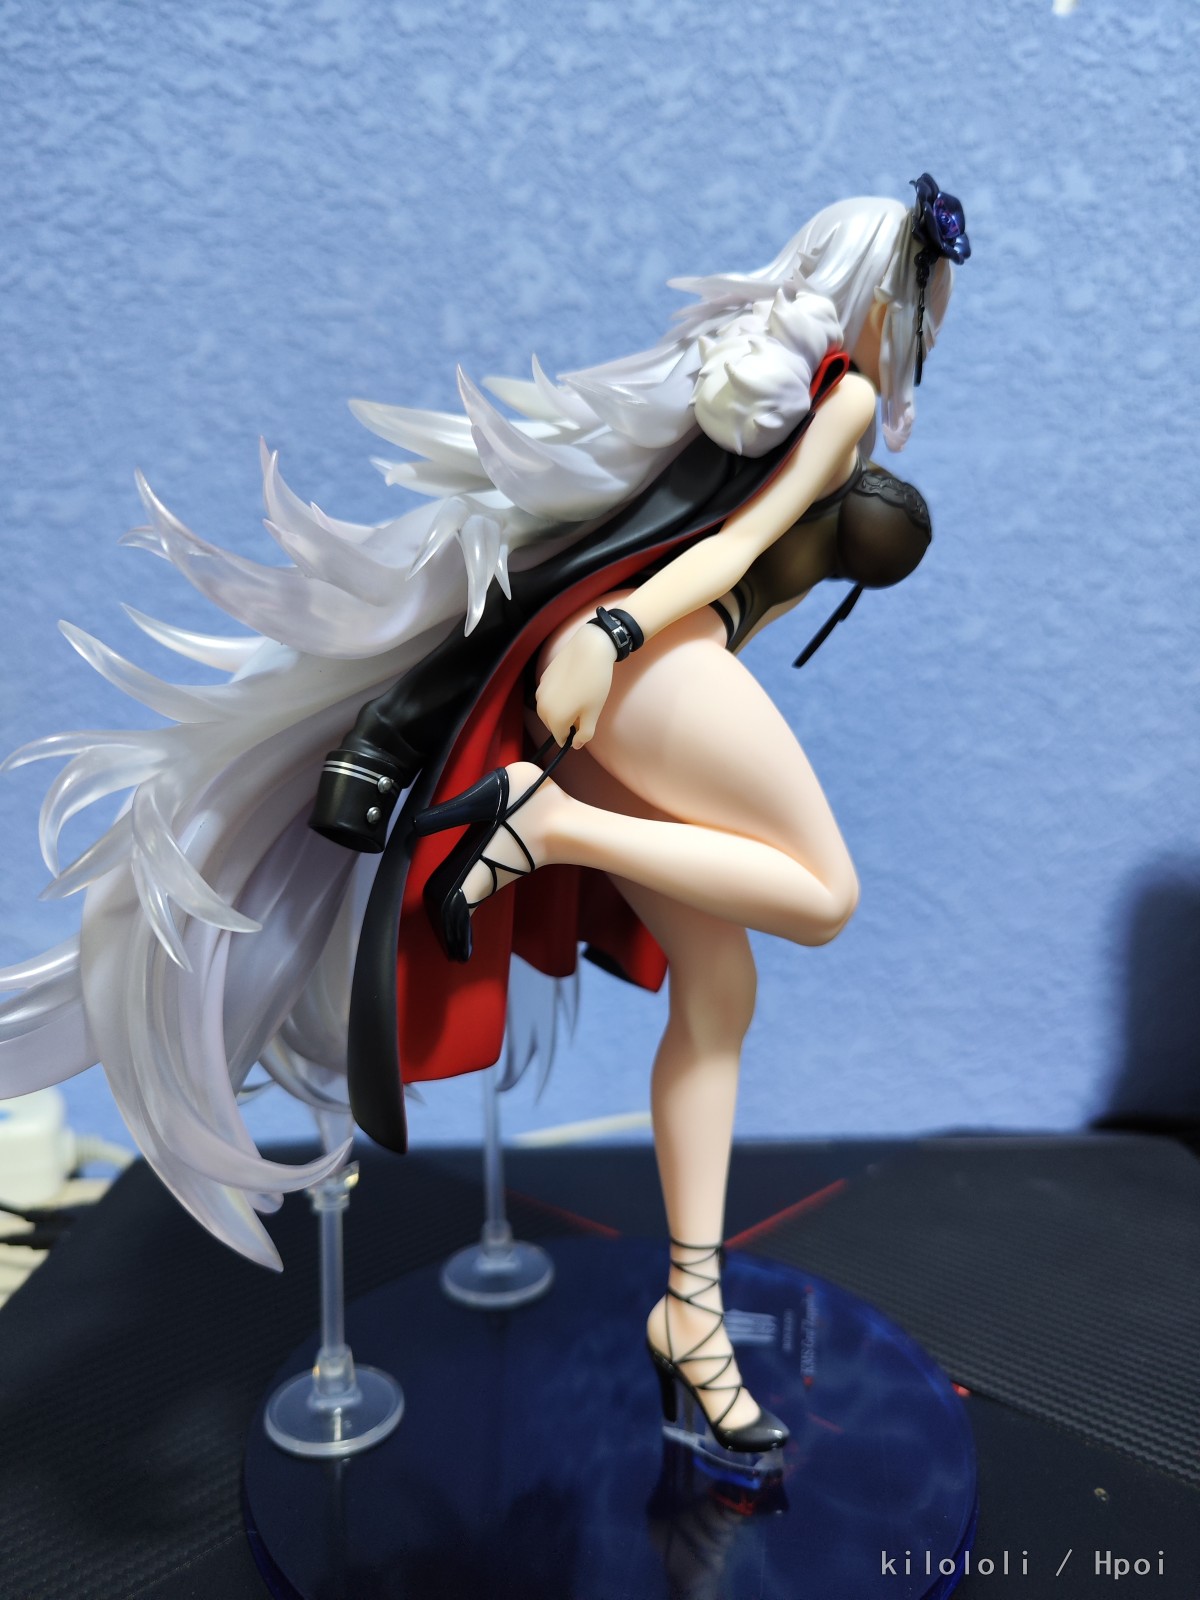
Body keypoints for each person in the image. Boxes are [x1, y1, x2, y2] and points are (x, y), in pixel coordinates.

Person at [0, 176, 968, 1473]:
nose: (930, 336)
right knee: (826, 897)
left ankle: (690, 1312)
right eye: (930, 311)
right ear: (893, 299)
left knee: (720, 987)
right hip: (658, 659)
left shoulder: (768, 382)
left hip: (643, 668)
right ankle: (549, 827)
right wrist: (618, 631)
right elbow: (729, 556)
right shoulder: (833, 397)